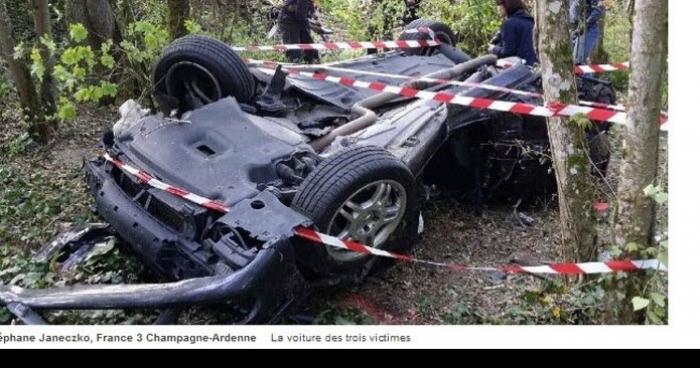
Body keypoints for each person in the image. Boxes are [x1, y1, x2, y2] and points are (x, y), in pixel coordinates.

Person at [488, 0, 538, 66]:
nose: (498, 8)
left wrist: (493, 49)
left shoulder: (509, 24)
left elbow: (508, 52)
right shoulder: (529, 19)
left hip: (522, 68)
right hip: (535, 65)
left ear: (507, 5)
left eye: (499, 4)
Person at [570, 0, 605, 64]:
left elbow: (598, 11)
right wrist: (575, 21)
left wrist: (586, 23)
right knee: (574, 59)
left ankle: (586, 72)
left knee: (582, 59)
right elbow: (573, 8)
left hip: (590, 30)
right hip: (578, 29)